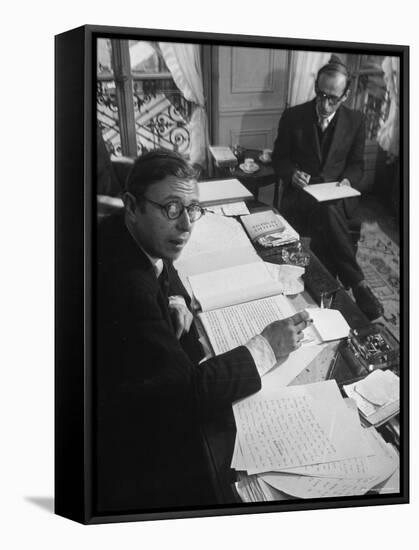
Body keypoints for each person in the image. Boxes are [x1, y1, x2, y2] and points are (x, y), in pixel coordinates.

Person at [95, 149, 311, 513]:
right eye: (172, 209)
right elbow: (187, 395)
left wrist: (173, 300)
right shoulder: (128, 291)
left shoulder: (122, 230)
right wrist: (267, 347)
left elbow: (165, 267)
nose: (186, 226)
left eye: (191, 209)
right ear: (132, 206)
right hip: (126, 448)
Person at [272, 55, 384, 321]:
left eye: (332, 98)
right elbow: (279, 158)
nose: (324, 104)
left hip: (336, 198)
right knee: (327, 218)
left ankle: (326, 293)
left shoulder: (355, 121)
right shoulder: (293, 116)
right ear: (316, 88)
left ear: (345, 95)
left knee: (327, 212)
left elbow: (358, 165)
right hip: (300, 198)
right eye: (320, 94)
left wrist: (348, 180)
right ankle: (356, 284)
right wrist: (291, 174)